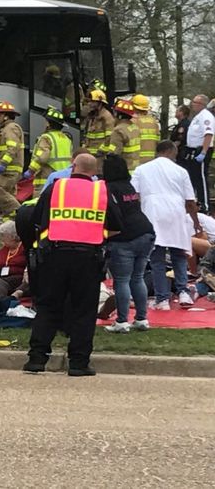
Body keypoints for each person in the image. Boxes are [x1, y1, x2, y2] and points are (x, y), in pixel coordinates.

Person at [24, 153, 123, 376]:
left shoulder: (56, 187)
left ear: (73, 167)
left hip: (55, 255)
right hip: (88, 257)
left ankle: (36, 359)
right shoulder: (102, 191)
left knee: (48, 307)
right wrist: (97, 234)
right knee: (83, 310)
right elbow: (117, 225)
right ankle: (78, 363)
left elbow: (36, 220)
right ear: (94, 171)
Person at [132, 140, 201, 310]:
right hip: (176, 213)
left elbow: (134, 195)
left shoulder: (142, 170)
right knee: (179, 254)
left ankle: (162, 299)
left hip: (152, 213)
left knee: (157, 259)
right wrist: (196, 222)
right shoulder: (180, 171)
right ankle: (183, 292)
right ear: (170, 151)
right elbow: (190, 201)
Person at [101, 155, 154, 333]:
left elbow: (112, 213)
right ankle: (141, 318)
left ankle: (122, 321)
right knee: (137, 277)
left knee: (122, 280)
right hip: (146, 232)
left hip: (124, 238)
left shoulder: (108, 189)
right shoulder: (128, 186)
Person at [23, 106, 72, 197]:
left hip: (47, 178)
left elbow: (42, 157)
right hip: (64, 177)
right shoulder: (66, 138)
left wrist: (31, 170)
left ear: (48, 124)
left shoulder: (46, 138)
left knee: (40, 204)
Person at [0, 101, 24, 216]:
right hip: (8, 169)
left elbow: (12, 148)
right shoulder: (6, 129)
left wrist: (3, 163)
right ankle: (11, 221)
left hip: (9, 169)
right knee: (9, 194)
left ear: (6, 116)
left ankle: (22, 214)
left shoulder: (11, 128)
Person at [184, 94, 214, 214]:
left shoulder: (206, 117)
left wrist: (203, 152)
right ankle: (198, 201)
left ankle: (205, 205)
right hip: (192, 150)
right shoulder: (197, 117)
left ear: (202, 104)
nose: (192, 104)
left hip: (201, 149)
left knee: (201, 178)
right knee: (194, 178)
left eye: (195, 102)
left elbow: (208, 134)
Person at [99, 98, 140, 175]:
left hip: (123, 171)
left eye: (115, 112)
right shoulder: (135, 128)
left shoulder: (119, 130)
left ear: (119, 115)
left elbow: (114, 154)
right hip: (135, 169)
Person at [82, 88, 115, 173]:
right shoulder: (92, 117)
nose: (90, 104)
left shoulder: (107, 117)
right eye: (90, 101)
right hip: (90, 156)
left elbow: (110, 137)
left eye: (93, 102)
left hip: (100, 158)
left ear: (100, 103)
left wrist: (101, 151)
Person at [131, 94, 161, 165]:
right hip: (152, 161)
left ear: (134, 107)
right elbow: (158, 141)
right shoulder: (154, 122)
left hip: (136, 161)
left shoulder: (133, 121)